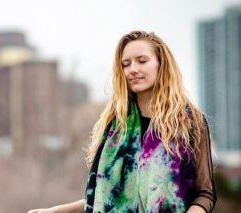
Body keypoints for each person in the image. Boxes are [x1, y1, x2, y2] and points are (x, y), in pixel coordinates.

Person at [27, 30, 217, 213]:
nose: (133, 69)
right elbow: (103, 199)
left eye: (142, 61)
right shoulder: (115, 126)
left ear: (161, 63)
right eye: (126, 64)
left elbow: (205, 193)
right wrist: (56, 211)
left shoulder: (189, 121)